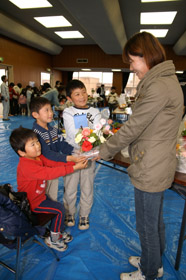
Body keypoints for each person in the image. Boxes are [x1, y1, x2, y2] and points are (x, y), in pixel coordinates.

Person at [98, 32, 183, 280]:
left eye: (132, 61)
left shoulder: (158, 86)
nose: (131, 67)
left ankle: (148, 272)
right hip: (155, 161)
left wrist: (102, 151)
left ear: (145, 57)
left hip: (151, 165)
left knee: (147, 225)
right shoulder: (164, 80)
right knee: (154, 222)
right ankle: (152, 260)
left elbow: (134, 127)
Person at [9, 126, 88, 252]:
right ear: (22, 152)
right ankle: (54, 238)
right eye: (32, 144)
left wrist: (73, 163)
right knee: (60, 209)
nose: (38, 146)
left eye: (37, 142)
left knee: (58, 208)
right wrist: (74, 168)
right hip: (32, 203)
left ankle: (57, 232)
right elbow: (49, 173)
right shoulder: (26, 166)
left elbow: (53, 164)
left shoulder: (37, 157)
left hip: (40, 197)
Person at [63, 79, 101, 230]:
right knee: (70, 187)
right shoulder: (68, 112)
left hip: (89, 156)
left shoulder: (95, 112)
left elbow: (98, 133)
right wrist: (89, 135)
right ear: (69, 98)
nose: (82, 96)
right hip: (72, 156)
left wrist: (94, 147)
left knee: (87, 187)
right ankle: (69, 212)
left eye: (84, 92)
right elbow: (72, 133)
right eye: (77, 94)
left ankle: (84, 215)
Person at [30, 97, 85, 201]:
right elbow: (47, 153)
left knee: (52, 195)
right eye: (46, 110)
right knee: (42, 197)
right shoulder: (35, 134)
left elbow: (62, 145)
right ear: (35, 115)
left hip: (53, 169)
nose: (51, 113)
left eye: (51, 109)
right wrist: (70, 158)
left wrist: (76, 151)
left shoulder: (53, 130)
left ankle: (53, 213)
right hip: (42, 171)